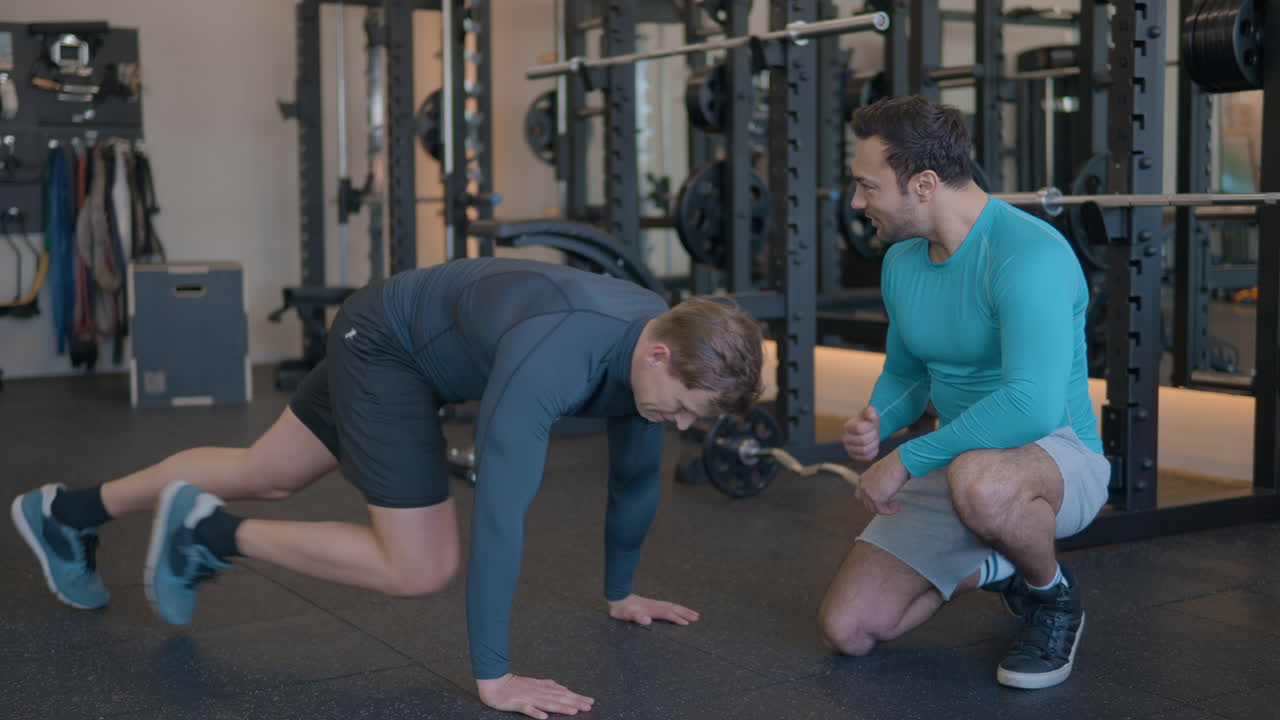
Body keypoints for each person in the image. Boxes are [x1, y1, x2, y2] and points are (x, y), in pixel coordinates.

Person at [11, 256, 764, 718]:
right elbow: (502, 514)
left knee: (264, 474)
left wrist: (621, 592)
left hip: (391, 325)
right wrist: (494, 676)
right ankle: (205, 532)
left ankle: (63, 512)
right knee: (422, 565)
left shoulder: (651, 364)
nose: (677, 426)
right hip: (390, 351)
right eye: (685, 410)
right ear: (660, 355)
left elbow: (635, 478)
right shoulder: (557, 358)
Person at [818, 96, 1110, 690]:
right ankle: (999, 564)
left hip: (1056, 453)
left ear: (923, 184)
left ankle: (1050, 596)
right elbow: (907, 373)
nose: (856, 203)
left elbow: (1030, 405)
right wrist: (878, 417)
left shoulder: (1029, 255)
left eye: (867, 186)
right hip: (959, 454)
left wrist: (905, 458)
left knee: (981, 481)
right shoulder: (901, 260)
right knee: (849, 630)